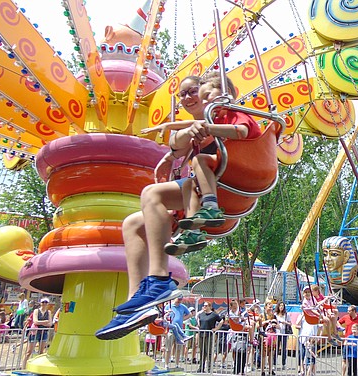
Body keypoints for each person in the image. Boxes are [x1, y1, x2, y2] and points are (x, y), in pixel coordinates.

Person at [96, 73, 262, 340]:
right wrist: (176, 140)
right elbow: (178, 140)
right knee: (132, 224)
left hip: (221, 188)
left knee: (152, 194)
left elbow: (197, 135)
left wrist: (189, 134)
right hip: (191, 197)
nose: (189, 97)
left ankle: (159, 278)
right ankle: (136, 303)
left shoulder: (219, 118)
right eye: (183, 94)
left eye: (195, 91)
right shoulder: (204, 123)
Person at [22, 298, 53, 369]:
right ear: (40, 303)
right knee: (29, 351)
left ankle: (38, 367)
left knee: (41, 352)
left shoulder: (48, 312)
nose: (44, 303)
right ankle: (23, 366)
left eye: (46, 302)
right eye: (43, 302)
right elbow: (35, 321)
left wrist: (42, 323)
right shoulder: (36, 311)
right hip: (35, 332)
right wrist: (45, 322)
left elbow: (50, 323)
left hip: (44, 332)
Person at [163, 296, 192, 370]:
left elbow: (189, 314)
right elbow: (164, 316)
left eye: (180, 300)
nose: (179, 301)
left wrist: (182, 319)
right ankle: (166, 364)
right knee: (168, 348)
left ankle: (177, 364)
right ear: (174, 299)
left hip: (179, 330)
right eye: (178, 299)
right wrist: (167, 314)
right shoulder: (168, 306)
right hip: (170, 330)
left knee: (178, 348)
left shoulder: (183, 306)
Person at [339, 305, 358, 376]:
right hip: (347, 340)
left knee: (355, 362)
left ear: (354, 311)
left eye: (349, 311)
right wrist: (341, 329)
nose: (347, 312)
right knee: (344, 359)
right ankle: (343, 374)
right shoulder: (346, 317)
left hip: (356, 342)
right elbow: (338, 322)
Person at [197, 302, 223, 373]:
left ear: (210, 306)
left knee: (209, 352)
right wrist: (198, 325)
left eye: (206, 306)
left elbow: (221, 321)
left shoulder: (214, 315)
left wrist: (216, 328)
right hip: (201, 334)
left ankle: (209, 368)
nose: (204, 307)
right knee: (202, 352)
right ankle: (201, 368)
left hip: (209, 335)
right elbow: (199, 320)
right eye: (204, 305)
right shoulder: (201, 314)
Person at [275, 301, 291, 370]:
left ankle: (284, 363)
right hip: (277, 333)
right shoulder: (275, 314)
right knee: (276, 349)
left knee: (284, 349)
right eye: (280, 305)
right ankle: (274, 363)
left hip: (284, 333)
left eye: (282, 306)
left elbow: (290, 323)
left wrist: (285, 322)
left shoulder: (286, 315)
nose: (281, 307)